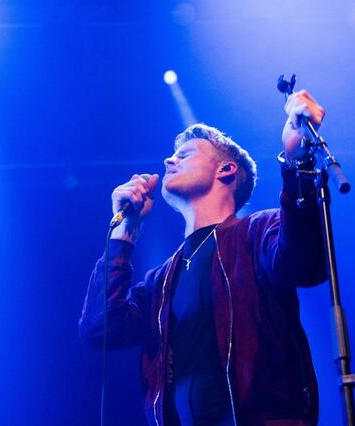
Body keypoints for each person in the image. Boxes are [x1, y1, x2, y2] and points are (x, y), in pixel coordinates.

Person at [79, 90, 329, 426]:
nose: (169, 161)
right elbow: (101, 328)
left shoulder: (256, 232)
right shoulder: (161, 280)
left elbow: (303, 263)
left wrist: (298, 160)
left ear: (226, 169)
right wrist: (124, 231)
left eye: (184, 154)